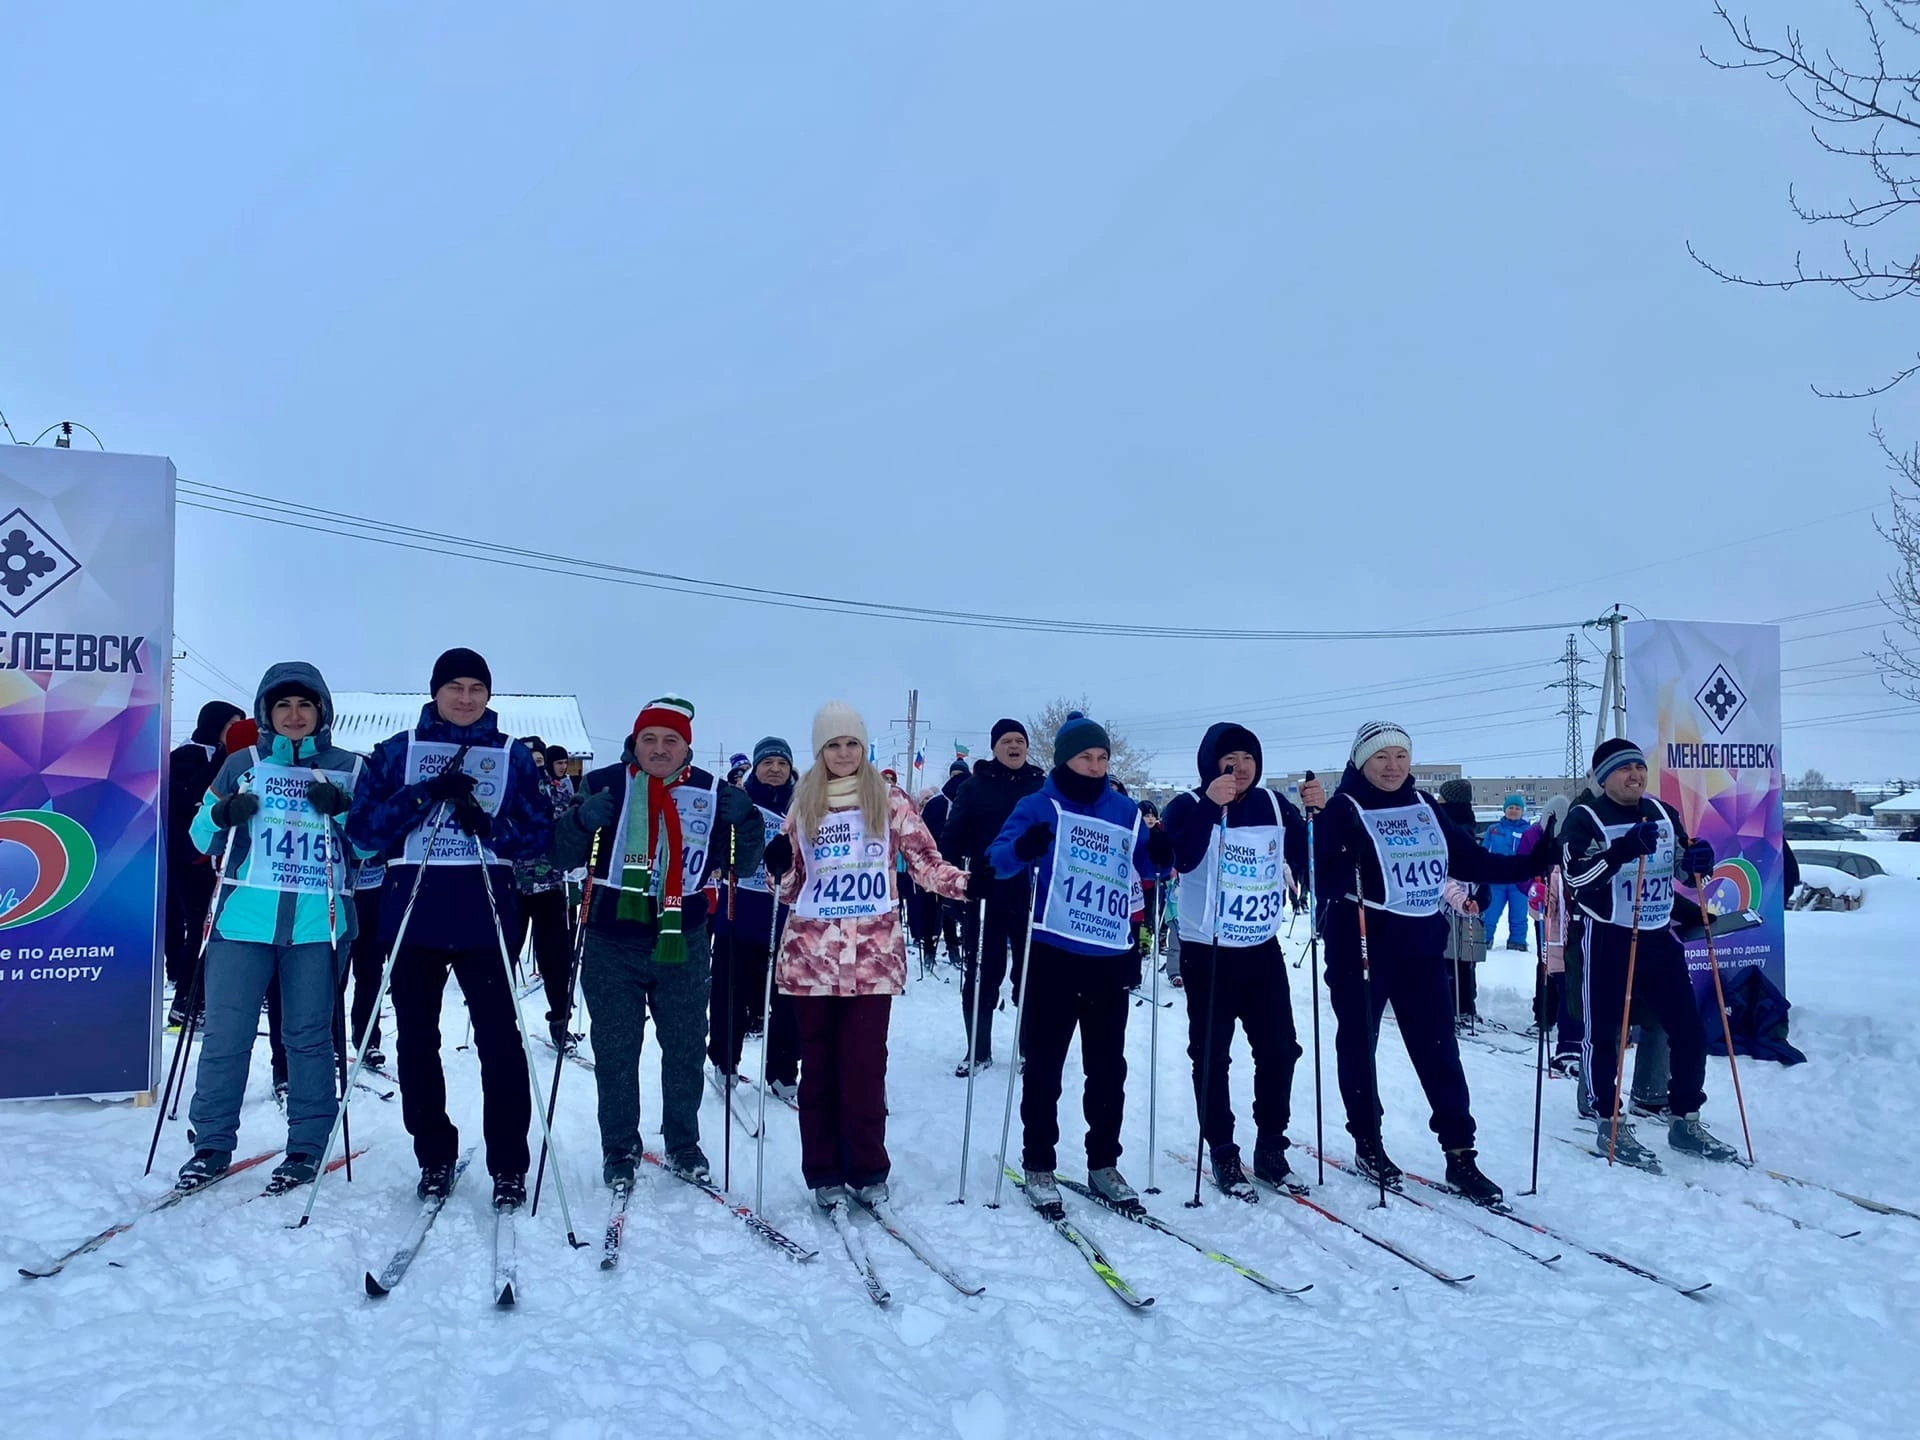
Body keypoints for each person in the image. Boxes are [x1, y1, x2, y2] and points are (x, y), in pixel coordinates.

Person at [346, 648, 555, 1210]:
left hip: (485, 912)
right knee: (417, 1039)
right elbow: (363, 831)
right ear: (435, 691)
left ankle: (509, 1162)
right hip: (414, 913)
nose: (465, 698)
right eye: (454, 687)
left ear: (489, 695)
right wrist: (423, 794)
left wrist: (488, 825)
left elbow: (538, 839)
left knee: (500, 1041)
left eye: (476, 688)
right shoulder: (396, 751)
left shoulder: (511, 754)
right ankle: (433, 1155)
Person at [1314, 721, 1551, 1205]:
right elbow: (1319, 871)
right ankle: (1368, 1140)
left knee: (1440, 1050)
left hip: (1421, 947)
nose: (1393, 766)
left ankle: (1460, 1152)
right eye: (1382, 757)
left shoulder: (1425, 806)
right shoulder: (1344, 808)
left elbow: (1467, 859)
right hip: (1362, 944)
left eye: (1401, 756)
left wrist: (1530, 863)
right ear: (1362, 761)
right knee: (1360, 1045)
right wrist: (1340, 853)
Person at [549, 696, 762, 1187]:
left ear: (687, 746)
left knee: (685, 1047)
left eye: (672, 741)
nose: (660, 749)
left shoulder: (711, 792)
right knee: (617, 1050)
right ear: (635, 742)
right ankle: (619, 1147)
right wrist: (580, 821)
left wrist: (746, 822)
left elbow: (742, 867)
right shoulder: (602, 783)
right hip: (610, 940)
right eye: (650, 739)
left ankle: (683, 1143)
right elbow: (560, 854)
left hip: (681, 940)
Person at [762, 701, 968, 1208]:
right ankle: (824, 1172)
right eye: (834, 744)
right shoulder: (802, 804)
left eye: (852, 743)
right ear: (820, 750)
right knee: (819, 1071)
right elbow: (788, 889)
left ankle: (869, 1167)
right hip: (811, 960)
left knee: (864, 1067)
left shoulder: (889, 799)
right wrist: (779, 866)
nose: (844, 753)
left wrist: (967, 885)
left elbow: (923, 861)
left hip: (873, 959)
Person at [175, 663, 361, 1193]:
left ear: (321, 711)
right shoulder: (242, 763)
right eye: (283, 706)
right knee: (226, 1036)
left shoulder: (350, 767)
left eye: (305, 705)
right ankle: (211, 1143)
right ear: (266, 713)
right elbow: (198, 836)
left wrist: (343, 812)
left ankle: (306, 1145)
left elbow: (372, 846)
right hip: (244, 919)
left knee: (307, 1037)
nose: (295, 715)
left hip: (317, 924)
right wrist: (223, 814)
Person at [987, 712, 1174, 1214]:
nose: (1095, 766)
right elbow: (998, 858)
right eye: (1085, 757)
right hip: (1053, 953)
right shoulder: (1039, 804)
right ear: (1065, 759)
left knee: (1108, 1069)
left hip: (1109, 957)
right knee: (1045, 1066)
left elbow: (1155, 866)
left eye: (1102, 758)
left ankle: (1103, 1163)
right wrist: (1022, 850)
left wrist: (1162, 851)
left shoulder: (1126, 810)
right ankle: (1039, 1162)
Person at [1560, 738, 1741, 1169]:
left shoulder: (1660, 811)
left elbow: (1681, 863)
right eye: (1624, 770)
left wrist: (1699, 860)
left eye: (1640, 768)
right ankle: (1609, 1120)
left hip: (1658, 936)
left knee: (1688, 1029)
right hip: (1606, 936)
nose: (1635, 776)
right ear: (1604, 779)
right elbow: (1575, 877)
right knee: (1604, 1035)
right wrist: (1621, 851)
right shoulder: (1586, 817)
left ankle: (1685, 1119)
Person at [1161, 722, 1318, 1197]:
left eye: (1248, 758)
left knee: (1279, 1049)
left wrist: (1318, 817)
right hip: (1207, 952)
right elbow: (1180, 859)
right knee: (1211, 1054)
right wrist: (1212, 805)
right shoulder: (1187, 805)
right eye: (1230, 759)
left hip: (1261, 948)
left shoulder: (1272, 803)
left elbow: (1310, 858)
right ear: (1211, 763)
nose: (1240, 767)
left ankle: (1271, 1146)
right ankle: (1223, 1150)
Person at [939, 719, 1046, 1075]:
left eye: (1020, 740)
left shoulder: (1042, 787)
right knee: (982, 971)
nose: (1014, 746)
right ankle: (978, 1049)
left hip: (1032, 894)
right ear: (994, 747)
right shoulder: (973, 787)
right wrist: (951, 889)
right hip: (985, 894)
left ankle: (1031, 1049)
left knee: (1032, 972)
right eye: (1006, 741)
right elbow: (951, 840)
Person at [711, 735, 801, 1100]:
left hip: (788, 919)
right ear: (756, 767)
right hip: (741, 911)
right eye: (768, 763)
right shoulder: (738, 801)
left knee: (786, 1000)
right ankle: (724, 1060)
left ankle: (782, 1069)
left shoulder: (804, 804)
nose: (775, 770)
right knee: (731, 992)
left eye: (782, 763)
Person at [165, 699, 245, 1025]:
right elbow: (185, 798)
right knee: (200, 924)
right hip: (187, 857)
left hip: (217, 857)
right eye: (231, 726)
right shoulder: (185, 756)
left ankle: (201, 994)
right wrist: (222, 762)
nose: (234, 734)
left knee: (216, 926)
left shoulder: (233, 759)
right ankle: (185, 999)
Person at [510, 742, 579, 1050]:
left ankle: (560, 1021)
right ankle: (500, 1014)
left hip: (550, 883)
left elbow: (568, 825)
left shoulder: (561, 792)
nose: (538, 768)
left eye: (541, 761)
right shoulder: (513, 789)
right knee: (506, 952)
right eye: (532, 762)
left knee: (556, 959)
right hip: (515, 884)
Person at [919, 758, 970, 964]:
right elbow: (924, 832)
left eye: (960, 775)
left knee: (950, 907)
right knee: (932, 907)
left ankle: (952, 946)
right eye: (954, 775)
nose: (956, 779)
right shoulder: (937, 802)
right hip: (934, 863)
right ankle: (929, 948)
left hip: (954, 863)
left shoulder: (967, 799)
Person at [1483, 794, 1532, 951]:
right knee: (1490, 913)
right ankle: (1484, 940)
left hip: (1520, 881)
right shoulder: (1493, 829)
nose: (1513, 810)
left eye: (1517, 808)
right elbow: (1483, 852)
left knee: (1518, 915)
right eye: (1510, 807)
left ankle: (1517, 943)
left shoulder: (1529, 831)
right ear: (1504, 810)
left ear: (1522, 811)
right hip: (1496, 880)